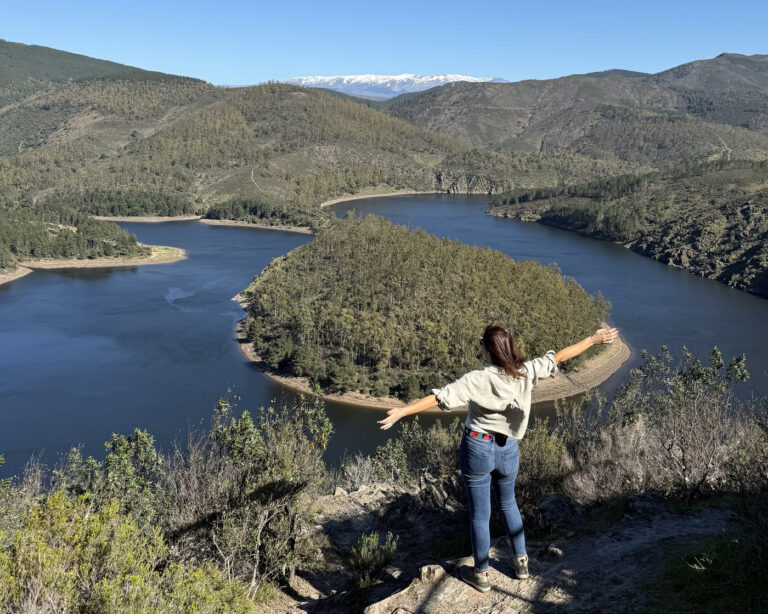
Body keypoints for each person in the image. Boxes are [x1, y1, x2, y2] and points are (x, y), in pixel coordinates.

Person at [378, 323, 619, 592]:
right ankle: (521, 563)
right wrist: (593, 338)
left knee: (480, 515)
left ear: (489, 350)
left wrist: (403, 411)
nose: (480, 348)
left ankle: (481, 575)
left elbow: (439, 399)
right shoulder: (525, 372)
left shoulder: (477, 379)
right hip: (508, 449)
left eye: (482, 344)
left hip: (477, 447)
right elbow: (559, 357)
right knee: (509, 504)